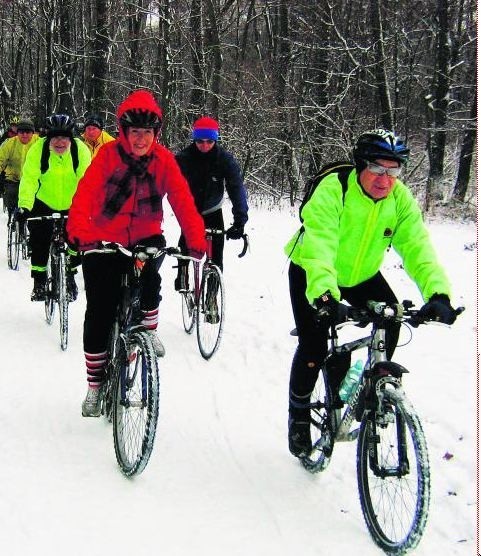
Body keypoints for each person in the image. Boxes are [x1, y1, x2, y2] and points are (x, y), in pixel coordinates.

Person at [284, 128, 458, 458]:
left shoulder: (399, 199)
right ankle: (299, 416)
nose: (385, 180)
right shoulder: (334, 190)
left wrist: (438, 294)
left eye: (394, 171)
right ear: (360, 165)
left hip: (362, 274)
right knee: (314, 343)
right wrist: (324, 297)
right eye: (378, 169)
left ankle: (369, 390)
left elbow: (417, 246)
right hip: (312, 270)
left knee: (392, 318)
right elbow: (320, 244)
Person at [66, 89, 206, 418]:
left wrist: (196, 239)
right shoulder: (107, 157)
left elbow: (183, 201)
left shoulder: (163, 161)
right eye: (134, 133)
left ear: (156, 134)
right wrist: (79, 232)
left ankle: (146, 330)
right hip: (103, 239)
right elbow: (85, 193)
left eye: (147, 133)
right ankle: (95, 385)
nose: (141, 139)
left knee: (148, 281)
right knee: (100, 310)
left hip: (144, 235)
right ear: (123, 132)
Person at [16, 114, 91, 301]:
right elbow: (30, 179)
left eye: (64, 137)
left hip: (74, 203)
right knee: (39, 239)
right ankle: (39, 282)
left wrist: (90, 208)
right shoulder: (37, 150)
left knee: (77, 239)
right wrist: (24, 206)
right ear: (48, 137)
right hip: (43, 201)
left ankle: (71, 276)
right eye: (55, 137)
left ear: (71, 138)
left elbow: (88, 182)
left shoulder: (80, 150)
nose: (60, 142)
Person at [174, 116, 248, 288]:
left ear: (215, 140)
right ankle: (183, 273)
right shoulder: (183, 158)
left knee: (216, 255)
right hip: (190, 211)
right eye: (200, 141)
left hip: (212, 210)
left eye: (209, 141)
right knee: (185, 244)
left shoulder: (224, 160)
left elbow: (236, 189)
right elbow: (169, 186)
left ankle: (213, 296)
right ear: (194, 140)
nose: (205, 146)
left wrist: (240, 221)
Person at [0, 118, 39, 221]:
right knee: (12, 195)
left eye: (28, 132)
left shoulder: (39, 143)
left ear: (33, 133)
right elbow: (0, 159)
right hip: (13, 178)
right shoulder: (9, 143)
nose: (25, 135)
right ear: (17, 133)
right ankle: (11, 217)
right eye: (21, 132)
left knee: (36, 204)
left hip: (33, 180)